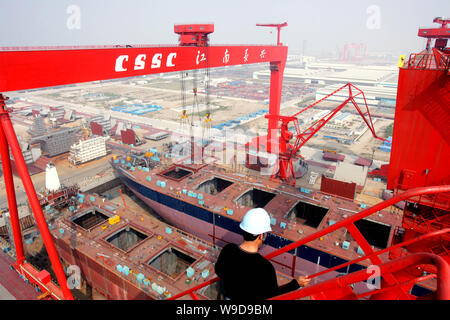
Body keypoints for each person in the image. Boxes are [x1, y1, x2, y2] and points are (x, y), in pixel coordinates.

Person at [214, 208, 310, 300]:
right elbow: (273, 296)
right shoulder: (265, 267)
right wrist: (296, 284)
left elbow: (218, 270)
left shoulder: (228, 249)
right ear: (261, 236)